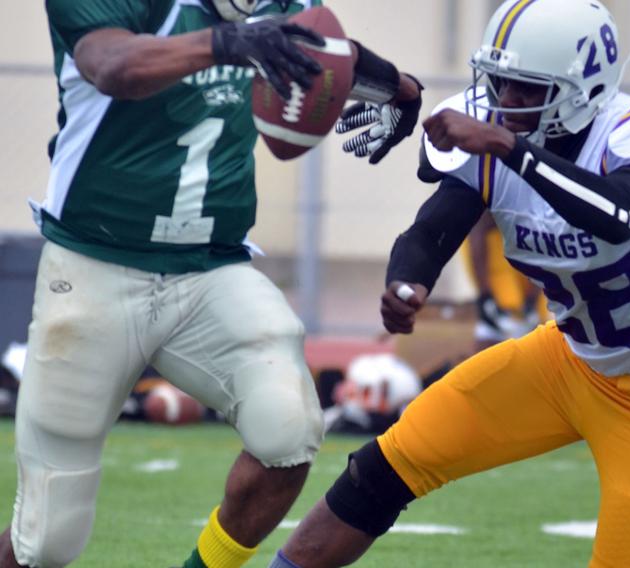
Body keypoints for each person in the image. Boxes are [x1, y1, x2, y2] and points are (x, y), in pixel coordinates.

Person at [272, 0, 630, 567]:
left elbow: (621, 214)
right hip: (564, 363)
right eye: (500, 83)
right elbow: (432, 230)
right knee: (383, 468)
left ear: (585, 87)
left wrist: (514, 151)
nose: (504, 103)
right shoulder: (495, 137)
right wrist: (407, 283)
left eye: (525, 89)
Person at [1, 1, 422, 567]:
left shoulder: (277, 8)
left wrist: (400, 89)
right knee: (46, 542)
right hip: (94, 266)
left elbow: (325, 55)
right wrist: (226, 44)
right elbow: (112, 66)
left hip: (211, 272)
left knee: (288, 431)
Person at [463, 210, 544, 351]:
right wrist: (486, 295)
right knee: (493, 341)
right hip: (502, 281)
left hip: (523, 278)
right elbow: (478, 229)